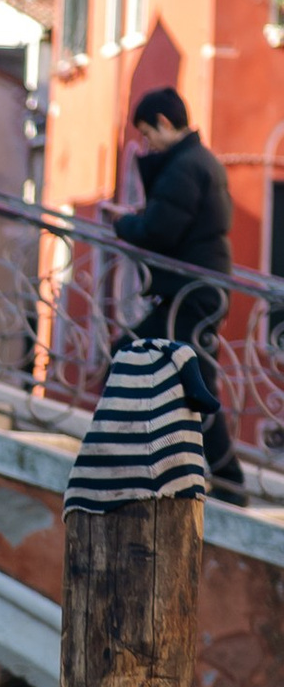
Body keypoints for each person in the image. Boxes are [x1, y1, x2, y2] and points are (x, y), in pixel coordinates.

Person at [115, 86, 246, 489]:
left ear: (165, 124)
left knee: (159, 369)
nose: (145, 144)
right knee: (147, 363)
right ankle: (215, 473)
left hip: (190, 291)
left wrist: (122, 223)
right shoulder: (194, 161)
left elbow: (160, 230)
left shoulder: (186, 166)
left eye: (147, 134)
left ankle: (225, 476)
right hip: (197, 289)